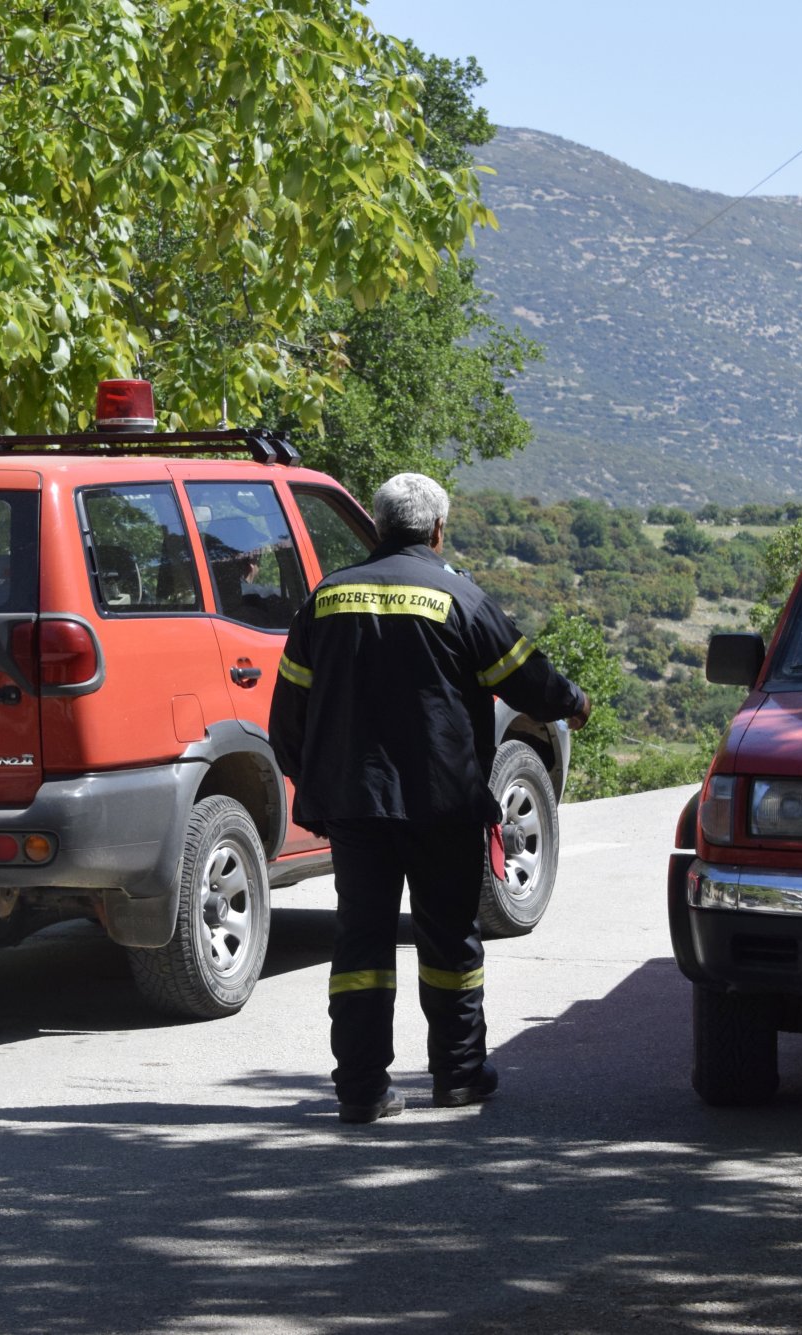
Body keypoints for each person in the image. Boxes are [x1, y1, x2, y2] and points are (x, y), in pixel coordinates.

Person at [270, 473, 591, 1124]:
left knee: (360, 943)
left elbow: (288, 718)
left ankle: (360, 1089)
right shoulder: (457, 595)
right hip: (442, 803)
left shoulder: (324, 600)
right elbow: (525, 674)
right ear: (438, 529)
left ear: (381, 526)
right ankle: (459, 1076)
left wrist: (318, 782)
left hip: (356, 806)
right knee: (450, 941)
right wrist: (573, 703)